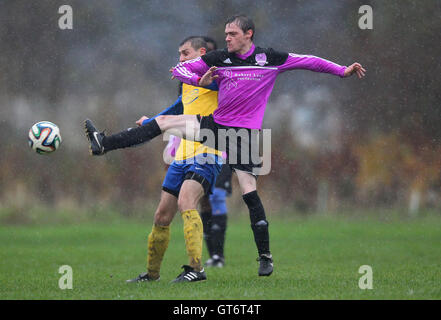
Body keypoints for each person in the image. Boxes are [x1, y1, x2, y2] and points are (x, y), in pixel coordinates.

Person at [84, 15, 366, 277]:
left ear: (248, 34)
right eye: (226, 34)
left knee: (249, 192)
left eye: (232, 34)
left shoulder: (270, 59)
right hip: (214, 128)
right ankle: (103, 144)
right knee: (164, 122)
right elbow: (179, 70)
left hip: (244, 135)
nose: (227, 39)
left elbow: (308, 61)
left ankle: (265, 256)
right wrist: (198, 79)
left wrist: (342, 71)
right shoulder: (221, 59)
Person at [116, 36, 222, 283]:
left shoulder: (218, 78)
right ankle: (151, 275)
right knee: (162, 215)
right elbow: (176, 108)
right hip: (183, 155)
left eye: (185, 53)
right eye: (179, 54)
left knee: (187, 201)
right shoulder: (188, 84)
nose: (181, 59)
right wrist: (151, 123)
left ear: (202, 52)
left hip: (208, 152)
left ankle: (196, 269)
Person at [200, 164, 232, 267]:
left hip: (221, 160)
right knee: (204, 203)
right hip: (201, 160)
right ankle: (213, 255)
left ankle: (218, 256)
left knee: (216, 197)